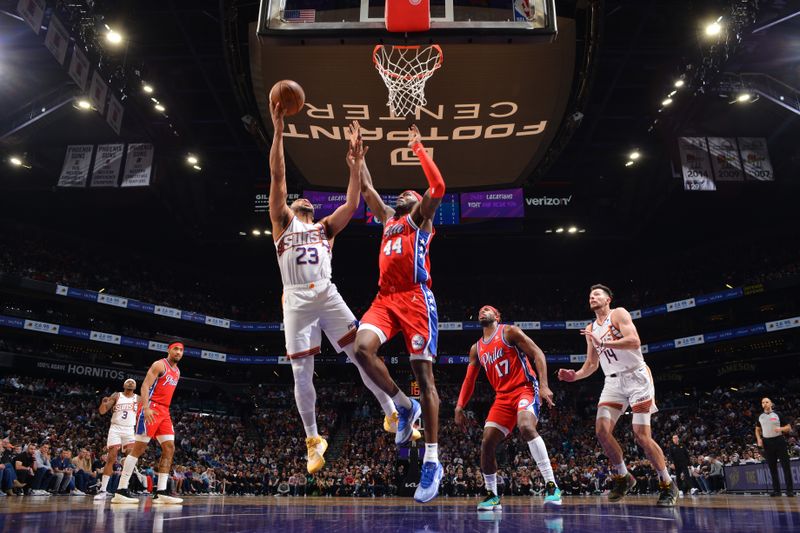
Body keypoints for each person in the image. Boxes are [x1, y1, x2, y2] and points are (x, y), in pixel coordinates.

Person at [268, 104, 419, 475]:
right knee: (301, 374)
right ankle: (313, 439)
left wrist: (354, 163)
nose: (303, 198)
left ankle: (390, 413)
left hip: (328, 294)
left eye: (307, 200)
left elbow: (353, 202)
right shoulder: (282, 221)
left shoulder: (324, 229)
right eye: (298, 198)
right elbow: (278, 174)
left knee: (360, 355)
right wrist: (278, 130)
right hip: (297, 299)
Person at [351, 122, 447, 503]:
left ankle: (433, 461)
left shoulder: (420, 220)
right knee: (360, 349)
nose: (406, 193)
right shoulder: (389, 218)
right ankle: (404, 406)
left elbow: (437, 188)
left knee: (425, 378)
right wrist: (359, 159)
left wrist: (419, 148)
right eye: (403, 192)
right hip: (385, 299)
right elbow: (370, 190)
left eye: (412, 192)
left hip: (416, 299)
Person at [558, 284, 678, 507]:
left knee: (641, 436)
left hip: (637, 378)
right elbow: (592, 365)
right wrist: (573, 376)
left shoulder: (619, 313)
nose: (592, 296)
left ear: (608, 299)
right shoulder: (590, 328)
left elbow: (634, 341)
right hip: (613, 382)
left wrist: (603, 341)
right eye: (590, 294)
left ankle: (667, 483)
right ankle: (624, 478)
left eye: (597, 294)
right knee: (602, 432)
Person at [455, 305, 561, 510]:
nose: (482, 311)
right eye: (480, 310)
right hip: (502, 397)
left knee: (526, 427)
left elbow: (538, 353)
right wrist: (460, 406)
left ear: (497, 316)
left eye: (487, 309)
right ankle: (492, 494)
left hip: (525, 388)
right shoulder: (476, 348)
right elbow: (469, 380)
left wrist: (545, 384)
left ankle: (551, 485)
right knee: (487, 442)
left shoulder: (509, 332)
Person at [111, 342, 184, 504]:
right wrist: (145, 407)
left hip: (164, 411)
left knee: (169, 447)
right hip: (151, 408)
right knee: (139, 448)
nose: (178, 352)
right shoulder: (159, 365)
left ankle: (161, 492)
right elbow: (145, 386)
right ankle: (121, 489)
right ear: (169, 350)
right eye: (175, 349)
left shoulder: (177, 371)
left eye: (181, 350)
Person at [96, 378, 139, 500]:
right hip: (116, 428)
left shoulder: (139, 398)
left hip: (129, 429)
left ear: (135, 387)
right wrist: (104, 403)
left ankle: (123, 487)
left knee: (130, 459)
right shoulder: (116, 395)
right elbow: (102, 411)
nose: (130, 382)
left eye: (133, 382)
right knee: (111, 458)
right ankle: (103, 490)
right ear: (124, 385)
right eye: (128, 381)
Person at [756, 397, 795, 497]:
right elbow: (757, 429)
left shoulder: (778, 414)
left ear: (771, 404)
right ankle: (776, 491)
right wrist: (759, 439)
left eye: (767, 402)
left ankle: (789, 490)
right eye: (763, 402)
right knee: (772, 467)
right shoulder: (760, 416)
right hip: (767, 443)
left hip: (779, 440)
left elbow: (788, 428)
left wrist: (781, 428)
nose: (764, 403)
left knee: (785, 466)